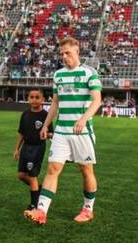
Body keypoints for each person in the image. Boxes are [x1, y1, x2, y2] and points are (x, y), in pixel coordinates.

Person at [25, 37, 102, 225]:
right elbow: (55, 104)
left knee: (85, 170)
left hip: (81, 133)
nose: (64, 57)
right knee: (53, 168)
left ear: (77, 52)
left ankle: (88, 208)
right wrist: (45, 125)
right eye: (62, 54)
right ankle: (41, 211)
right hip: (61, 132)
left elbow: (97, 100)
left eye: (68, 53)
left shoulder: (88, 73)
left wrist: (84, 119)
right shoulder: (58, 75)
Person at [15, 89, 52, 210]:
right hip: (26, 147)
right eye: (31, 97)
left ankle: (34, 205)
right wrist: (17, 149)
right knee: (20, 175)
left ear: (42, 100)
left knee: (32, 176)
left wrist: (47, 134)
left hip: (37, 148)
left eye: (37, 97)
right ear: (28, 99)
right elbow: (21, 133)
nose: (34, 99)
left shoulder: (46, 116)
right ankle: (38, 189)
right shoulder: (25, 114)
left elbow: (51, 133)